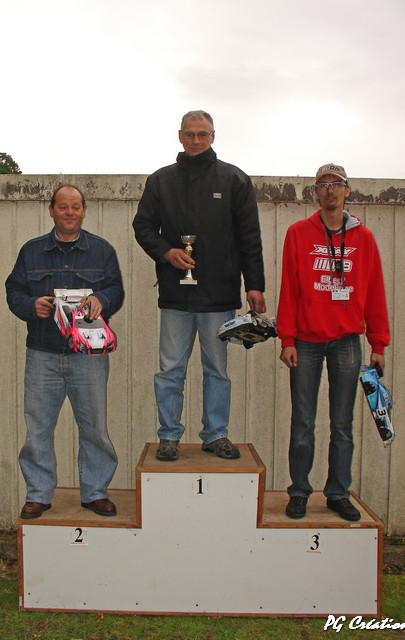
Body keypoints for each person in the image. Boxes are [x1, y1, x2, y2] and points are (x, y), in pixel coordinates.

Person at [133, 110, 266, 462]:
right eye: (190, 134)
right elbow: (143, 227)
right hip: (175, 296)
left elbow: (250, 237)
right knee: (170, 370)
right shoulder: (160, 180)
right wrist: (167, 252)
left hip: (220, 296)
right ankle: (168, 436)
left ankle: (216, 434)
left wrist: (254, 285)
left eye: (202, 134)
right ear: (179, 136)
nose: (196, 140)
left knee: (217, 370)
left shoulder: (234, 179)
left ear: (213, 136)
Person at [276, 163, 390, 522]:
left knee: (342, 425)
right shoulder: (298, 233)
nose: (330, 189)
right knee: (303, 422)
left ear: (347, 191)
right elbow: (289, 289)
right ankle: (299, 491)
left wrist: (378, 344)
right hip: (305, 342)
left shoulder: (364, 238)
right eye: (322, 184)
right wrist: (287, 338)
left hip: (347, 342)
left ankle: (338, 493)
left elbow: (375, 292)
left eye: (336, 183)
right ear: (315, 193)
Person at [6, 184, 124, 519]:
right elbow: (13, 290)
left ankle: (95, 492)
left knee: (94, 428)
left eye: (75, 207)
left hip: (88, 356)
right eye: (63, 207)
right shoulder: (31, 251)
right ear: (51, 210)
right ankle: (38, 494)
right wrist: (31, 305)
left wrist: (102, 300)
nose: (69, 213)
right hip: (42, 353)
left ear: (84, 210)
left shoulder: (102, 251)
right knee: (37, 429)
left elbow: (115, 290)